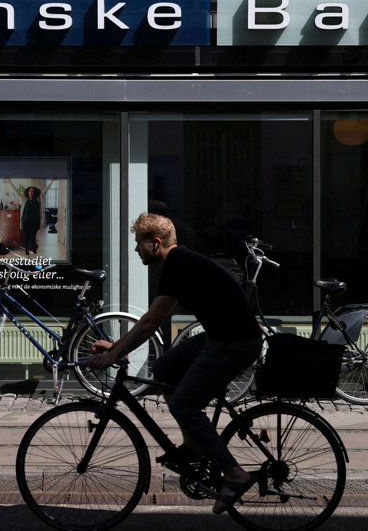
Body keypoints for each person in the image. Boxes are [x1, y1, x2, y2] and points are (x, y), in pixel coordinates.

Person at [88, 212, 263, 514]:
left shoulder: (176, 265)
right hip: (220, 336)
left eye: (138, 243)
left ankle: (235, 474)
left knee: (184, 404)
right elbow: (150, 321)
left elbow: (151, 321)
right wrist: (116, 346)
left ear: (155, 244)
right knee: (166, 367)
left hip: (234, 343)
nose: (135, 250)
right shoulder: (179, 262)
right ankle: (193, 444)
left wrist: (113, 355)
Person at [20, 186, 41, 256]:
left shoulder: (37, 202)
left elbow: (38, 214)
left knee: (33, 240)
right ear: (27, 193)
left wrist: (38, 224)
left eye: (32, 191)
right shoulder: (25, 201)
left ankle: (34, 254)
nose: (31, 192)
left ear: (34, 193)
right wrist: (10, 182)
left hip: (34, 224)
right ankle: (27, 254)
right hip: (26, 223)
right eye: (29, 191)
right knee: (26, 240)